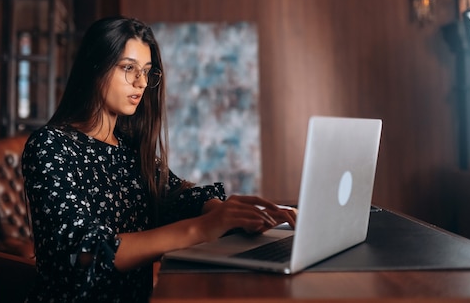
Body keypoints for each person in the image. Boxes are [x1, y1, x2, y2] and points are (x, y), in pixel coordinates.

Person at [21, 16, 297, 302]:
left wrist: (228, 212)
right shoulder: (50, 145)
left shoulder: (129, 148)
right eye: (129, 68)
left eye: (147, 71)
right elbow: (87, 250)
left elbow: (175, 196)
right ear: (95, 67)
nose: (141, 82)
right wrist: (205, 227)